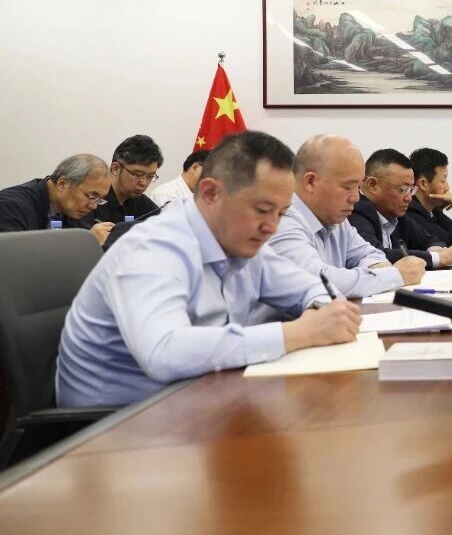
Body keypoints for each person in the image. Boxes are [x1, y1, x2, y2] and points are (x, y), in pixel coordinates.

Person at [56, 131, 362, 409]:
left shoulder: (241, 239)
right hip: (115, 424)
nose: (271, 227)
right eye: (262, 210)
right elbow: (165, 353)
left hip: (198, 397)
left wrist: (323, 310)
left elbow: (310, 285)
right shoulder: (153, 249)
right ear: (211, 193)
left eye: (281, 214)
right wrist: (299, 332)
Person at [269, 135, 426, 298]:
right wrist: (395, 275)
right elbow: (316, 281)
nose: (356, 197)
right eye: (348, 186)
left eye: (358, 187)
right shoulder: (281, 220)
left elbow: (371, 255)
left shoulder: (336, 219)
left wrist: (380, 273)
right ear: (311, 182)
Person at [349, 148, 452, 267]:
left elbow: (430, 239)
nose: (409, 198)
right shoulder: (355, 211)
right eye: (403, 189)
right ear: (372, 185)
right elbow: (375, 256)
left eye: (411, 189)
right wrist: (438, 257)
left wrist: (435, 248)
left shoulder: (395, 215)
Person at [0, 153, 112, 244]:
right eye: (91, 196)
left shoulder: (72, 210)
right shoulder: (11, 206)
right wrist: (84, 243)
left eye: (99, 199)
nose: (93, 206)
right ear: (62, 184)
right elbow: (15, 258)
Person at [95, 134, 163, 225]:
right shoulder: (92, 201)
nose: (144, 183)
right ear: (116, 168)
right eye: (138, 175)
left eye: (150, 176)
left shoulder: (142, 203)